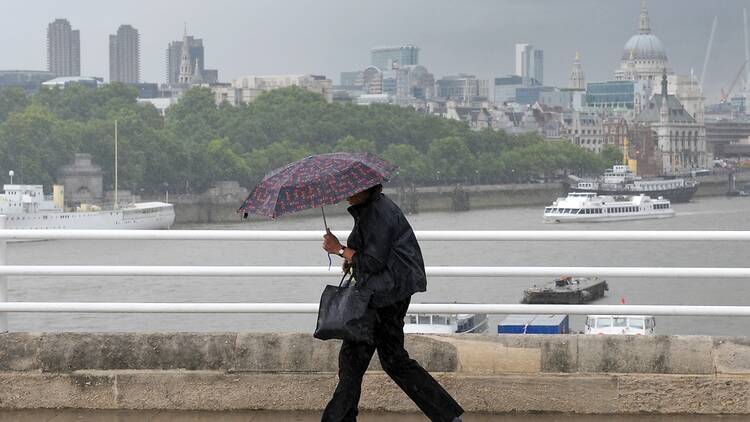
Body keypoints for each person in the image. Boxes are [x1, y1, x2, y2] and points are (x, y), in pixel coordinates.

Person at [321, 183, 464, 422]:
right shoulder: (374, 208)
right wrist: (351, 258)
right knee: (381, 361)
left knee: (361, 362)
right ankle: (448, 417)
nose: (345, 193)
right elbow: (375, 253)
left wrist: (339, 250)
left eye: (349, 189)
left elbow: (374, 262)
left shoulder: (377, 213)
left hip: (384, 297)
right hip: (386, 293)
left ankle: (448, 417)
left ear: (364, 189)